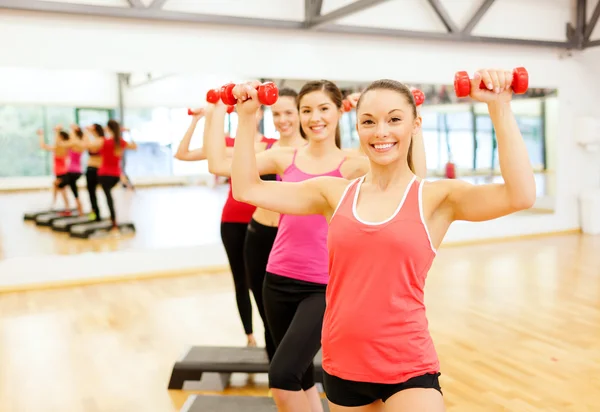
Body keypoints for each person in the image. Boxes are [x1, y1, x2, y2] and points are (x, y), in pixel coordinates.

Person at [229, 70, 536, 411]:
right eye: (369, 122)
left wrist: (500, 108)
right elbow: (247, 189)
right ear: (357, 127)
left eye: (394, 119)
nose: (382, 132)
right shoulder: (333, 193)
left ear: (415, 125)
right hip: (343, 363)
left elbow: (519, 195)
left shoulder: (436, 198)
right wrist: (246, 119)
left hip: (407, 364)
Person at [208, 79, 427, 412]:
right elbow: (225, 170)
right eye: (306, 110)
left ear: (341, 112)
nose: (314, 118)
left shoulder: (355, 164)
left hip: (323, 285)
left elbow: (412, 183)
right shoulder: (284, 157)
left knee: (282, 375)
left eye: (324, 108)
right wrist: (236, 115)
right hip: (277, 277)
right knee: (301, 377)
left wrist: (410, 121)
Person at [204, 88, 306, 361]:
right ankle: (280, 381)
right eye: (276, 113)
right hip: (259, 235)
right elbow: (216, 162)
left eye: (289, 112)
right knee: (268, 315)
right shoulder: (268, 149)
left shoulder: (314, 153)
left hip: (295, 242)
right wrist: (217, 111)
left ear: (302, 113)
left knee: (299, 320)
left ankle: (293, 377)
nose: (282, 119)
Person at [86, 119, 137, 232]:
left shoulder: (104, 141)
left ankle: (112, 220)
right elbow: (134, 146)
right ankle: (113, 220)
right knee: (109, 197)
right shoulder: (121, 141)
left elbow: (90, 146)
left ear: (108, 129)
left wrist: (90, 133)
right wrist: (129, 133)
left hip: (104, 174)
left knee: (106, 197)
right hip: (116, 176)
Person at [38, 126, 71, 211]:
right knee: (57, 189)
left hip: (63, 173)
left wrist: (57, 131)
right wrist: (41, 135)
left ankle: (65, 206)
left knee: (61, 190)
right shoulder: (57, 147)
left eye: (59, 137)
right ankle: (56, 204)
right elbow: (43, 146)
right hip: (58, 172)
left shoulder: (64, 147)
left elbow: (57, 143)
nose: (57, 139)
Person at [83, 123, 105, 221]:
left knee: (102, 192)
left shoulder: (101, 140)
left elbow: (88, 146)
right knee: (91, 193)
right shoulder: (96, 140)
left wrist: (87, 132)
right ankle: (95, 213)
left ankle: (98, 214)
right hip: (91, 168)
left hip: (97, 169)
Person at [64, 124, 85, 215]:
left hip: (75, 171)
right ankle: (78, 209)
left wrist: (73, 130)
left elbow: (72, 140)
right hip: (71, 171)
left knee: (59, 184)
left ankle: (72, 208)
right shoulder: (72, 144)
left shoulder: (78, 145)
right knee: (73, 190)